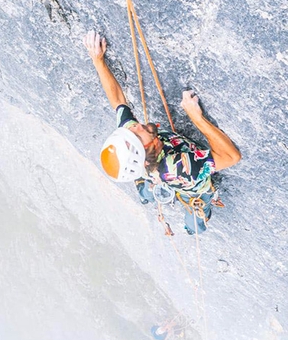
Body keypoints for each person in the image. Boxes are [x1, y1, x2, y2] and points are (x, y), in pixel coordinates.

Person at [85, 30, 241, 235]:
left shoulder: (131, 137)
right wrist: (196, 117)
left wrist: (98, 61)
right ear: (148, 149)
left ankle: (145, 193)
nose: (137, 125)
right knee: (195, 220)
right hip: (187, 184)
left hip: (149, 172)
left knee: (147, 188)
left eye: (132, 128)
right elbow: (231, 157)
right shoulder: (179, 168)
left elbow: (118, 102)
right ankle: (193, 227)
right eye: (138, 133)